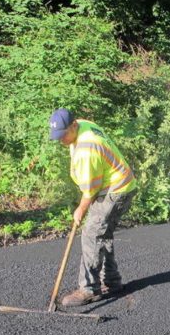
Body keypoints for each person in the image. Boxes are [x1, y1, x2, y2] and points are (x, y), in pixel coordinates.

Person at [49, 109, 137, 306]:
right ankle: (112, 281)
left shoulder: (86, 149)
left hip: (115, 190)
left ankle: (89, 289)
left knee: (92, 233)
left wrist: (80, 208)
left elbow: (91, 190)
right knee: (101, 232)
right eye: (58, 136)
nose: (61, 140)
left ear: (73, 126)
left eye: (63, 135)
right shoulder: (82, 125)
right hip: (117, 183)